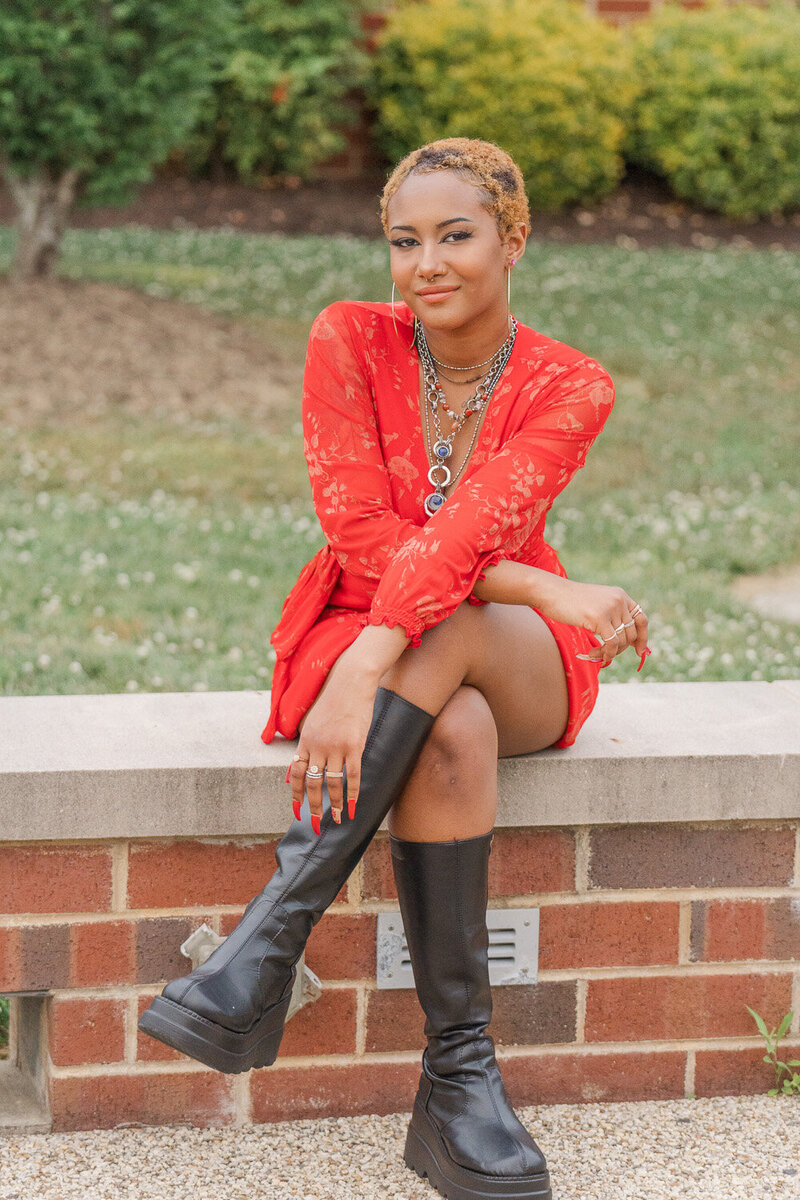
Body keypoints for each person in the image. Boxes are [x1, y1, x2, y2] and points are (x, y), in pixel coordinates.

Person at [139, 136, 651, 1200]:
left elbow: (466, 538)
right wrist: (549, 588)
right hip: (357, 620)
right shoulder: (348, 341)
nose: (426, 263)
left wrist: (377, 660)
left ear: (512, 239)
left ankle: (261, 951)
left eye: (454, 235)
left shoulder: (571, 383)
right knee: (449, 723)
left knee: (448, 638)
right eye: (402, 240)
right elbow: (362, 532)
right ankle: (457, 1086)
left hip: (484, 656)